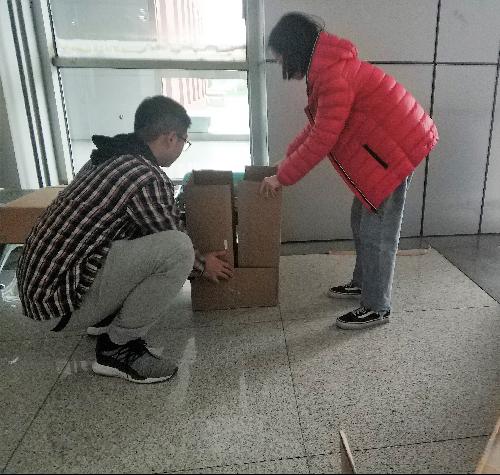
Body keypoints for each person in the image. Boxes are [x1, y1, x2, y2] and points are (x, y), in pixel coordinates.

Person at [17, 95, 233, 383]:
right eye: (185, 141)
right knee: (179, 249)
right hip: (56, 304)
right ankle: (118, 349)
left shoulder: (109, 156)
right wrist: (204, 265)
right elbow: (172, 238)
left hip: (38, 290)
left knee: (139, 233)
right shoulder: (147, 176)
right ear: (171, 138)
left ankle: (104, 318)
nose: (183, 148)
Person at [260, 12, 438, 330]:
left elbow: (322, 139)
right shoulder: (327, 72)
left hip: (394, 153)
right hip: (383, 151)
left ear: (294, 48)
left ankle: (377, 307)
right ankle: (363, 284)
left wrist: (283, 176)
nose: (281, 63)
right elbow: (319, 126)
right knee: (361, 221)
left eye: (281, 56)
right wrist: (284, 162)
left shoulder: (333, 77)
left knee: (377, 233)